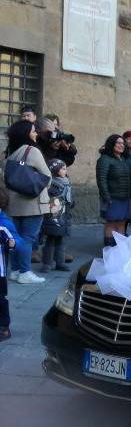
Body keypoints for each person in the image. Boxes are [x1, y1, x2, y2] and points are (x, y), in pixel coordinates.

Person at [4, 119, 50, 284]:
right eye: (33, 130)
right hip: (33, 203)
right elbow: (47, 177)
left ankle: (15, 270)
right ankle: (25, 272)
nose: (36, 133)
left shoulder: (11, 153)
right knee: (28, 238)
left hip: (14, 205)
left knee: (17, 238)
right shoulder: (32, 151)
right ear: (26, 134)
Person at [96, 134, 131, 246]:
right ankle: (109, 249)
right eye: (118, 143)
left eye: (123, 143)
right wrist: (106, 197)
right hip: (112, 197)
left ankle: (120, 249)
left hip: (125, 197)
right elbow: (101, 180)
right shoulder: (104, 159)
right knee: (111, 223)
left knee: (122, 222)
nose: (121, 145)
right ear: (111, 144)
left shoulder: (125, 159)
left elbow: (130, 173)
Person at [41, 159, 73, 272]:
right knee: (50, 240)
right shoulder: (52, 183)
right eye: (63, 168)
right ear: (55, 170)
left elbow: (70, 199)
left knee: (61, 240)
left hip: (64, 216)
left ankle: (60, 262)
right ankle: (47, 263)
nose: (66, 171)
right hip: (53, 217)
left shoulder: (67, 182)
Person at [0, 188, 21, 341]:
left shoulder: (4, 223)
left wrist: (12, 244)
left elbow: (17, 240)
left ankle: (4, 327)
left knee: (0, 298)